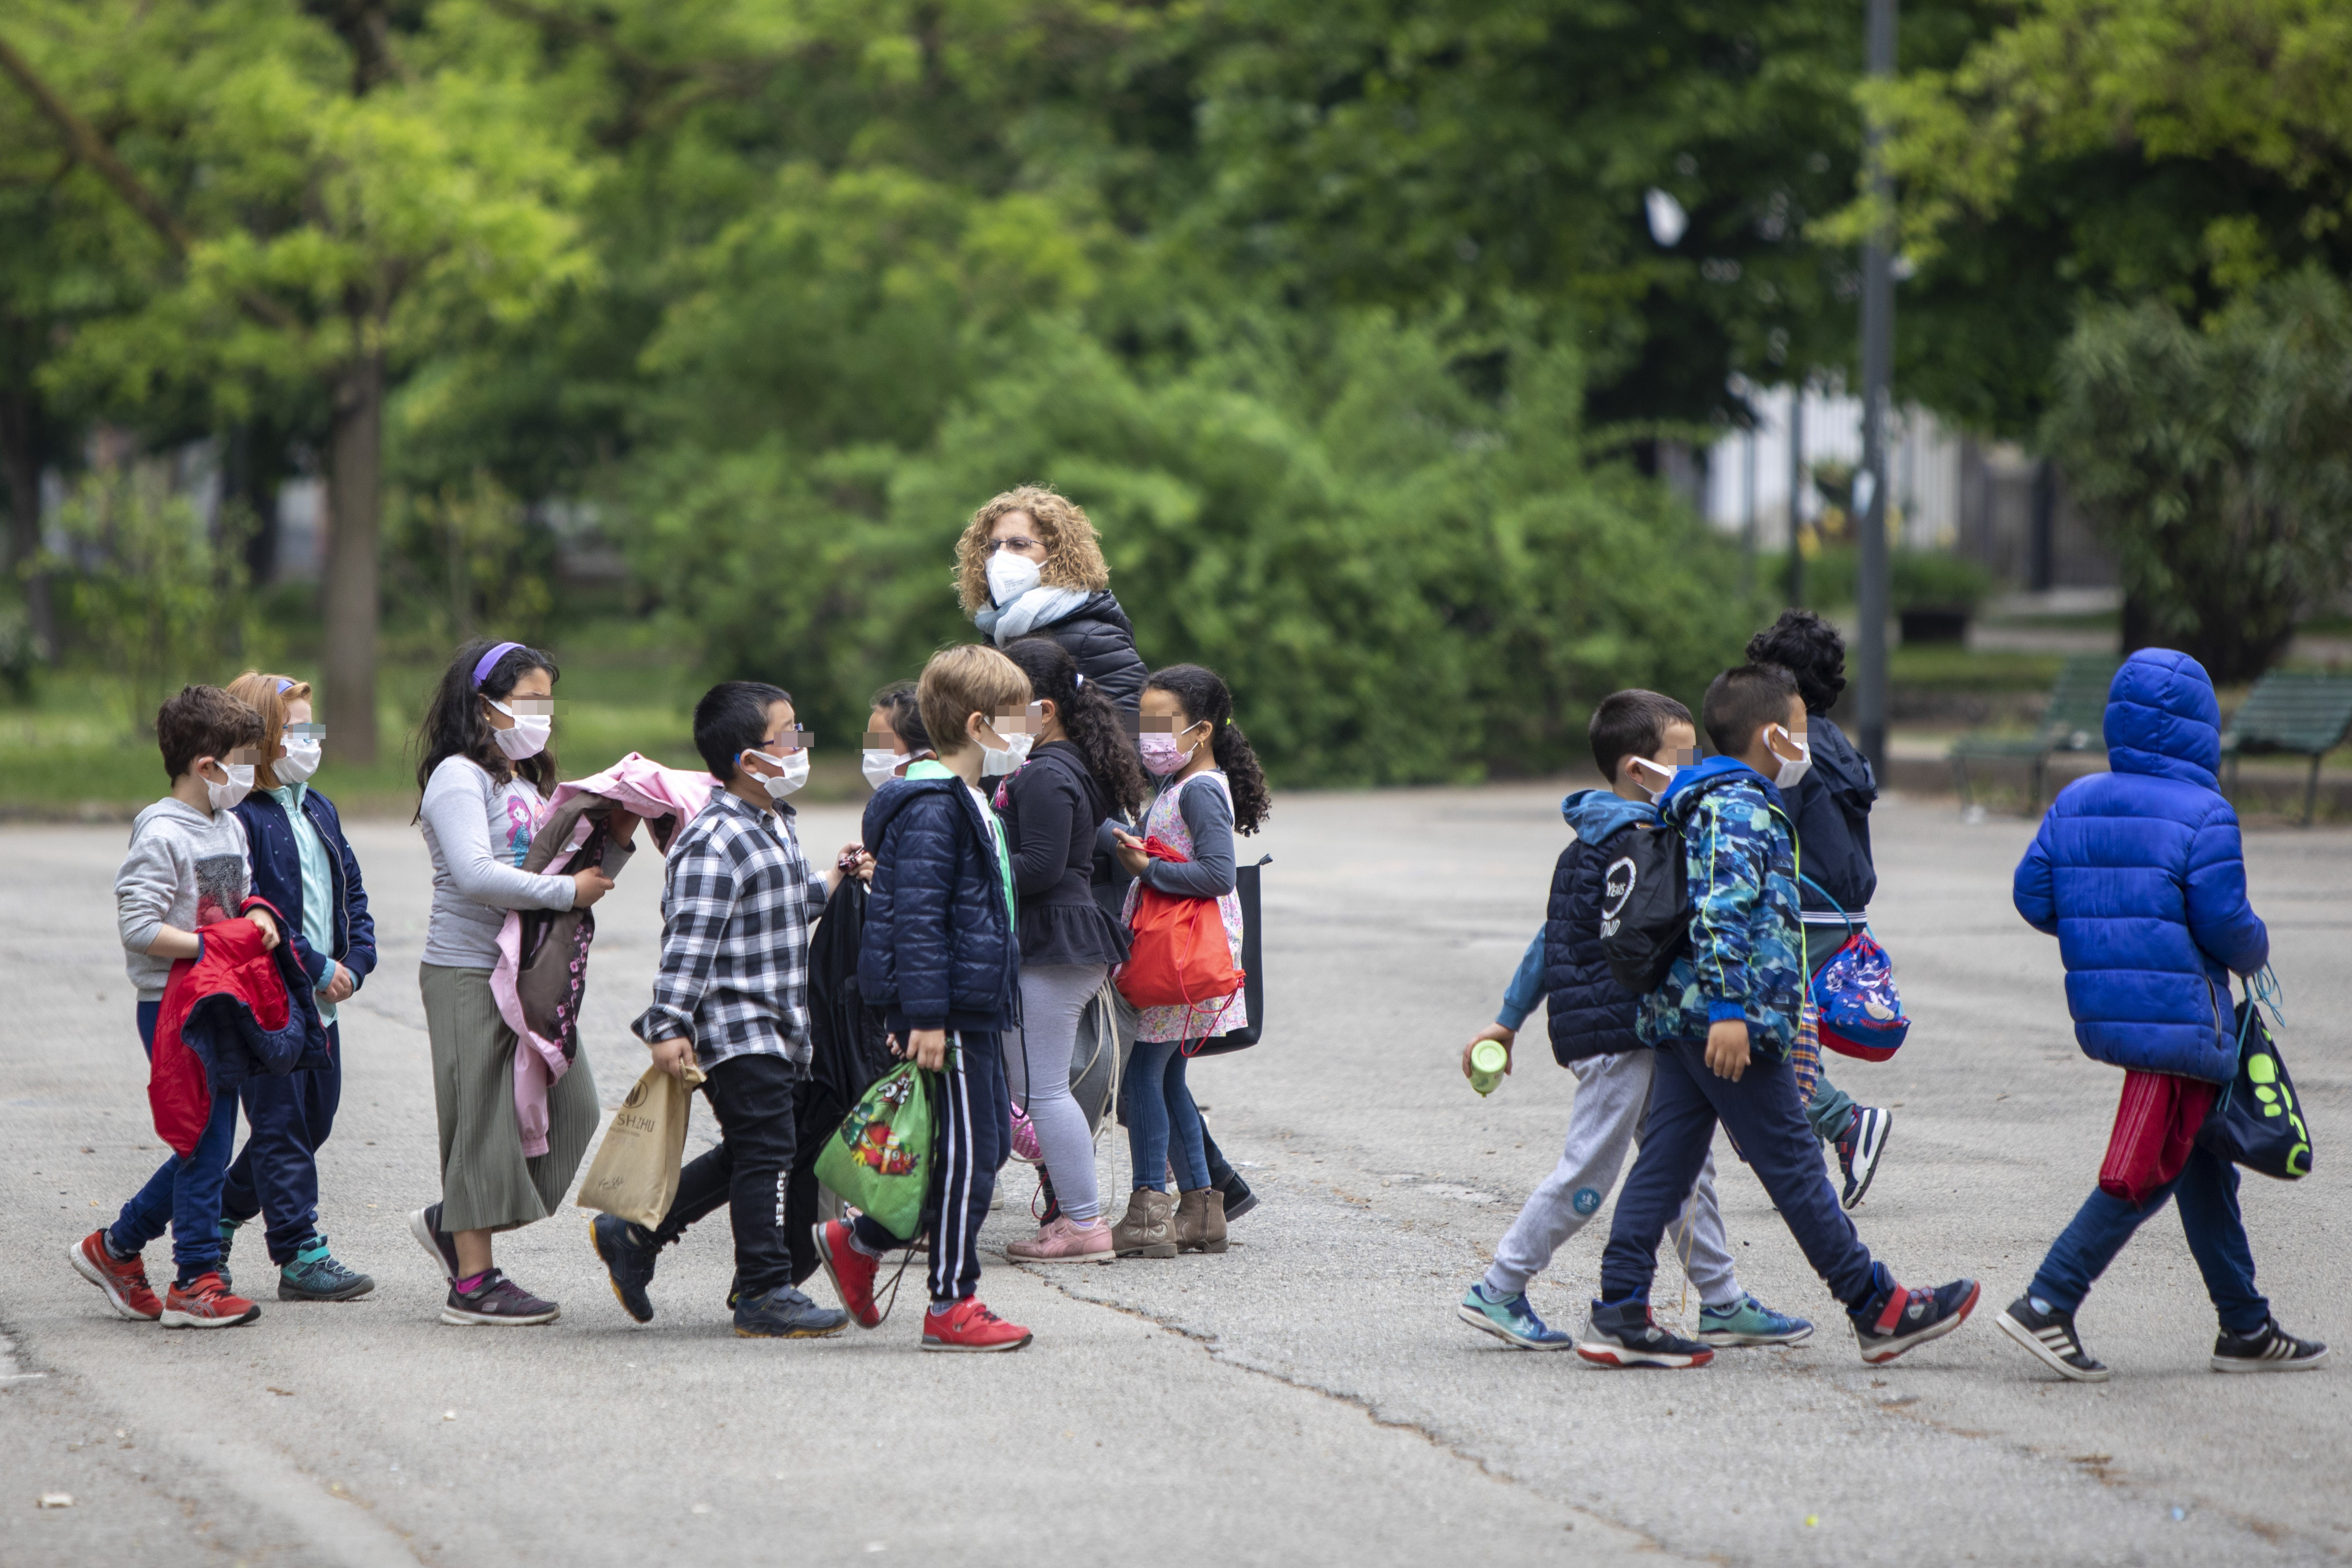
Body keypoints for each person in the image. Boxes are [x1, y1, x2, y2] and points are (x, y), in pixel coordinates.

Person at [1580, 663, 1979, 1369]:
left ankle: (1618, 1309)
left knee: (1665, 1164)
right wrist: (1732, 1010)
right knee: (1794, 1165)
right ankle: (1876, 1306)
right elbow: (1721, 911)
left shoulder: (1709, 797)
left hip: (1684, 1015)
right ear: (1772, 735)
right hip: (1725, 1021)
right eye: (1801, 731)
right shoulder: (1739, 804)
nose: (1809, 743)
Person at [1997, 649, 2328, 1380]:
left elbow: (2033, 897)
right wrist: (2257, 947)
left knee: (2201, 1158)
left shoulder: (2077, 798)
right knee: (2145, 1166)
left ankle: (2243, 1324)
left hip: (2113, 1008)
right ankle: (2048, 1300)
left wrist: (2106, 934)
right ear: (2202, 727)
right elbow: (2227, 926)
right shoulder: (2205, 813)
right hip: (2182, 1018)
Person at [1457, 691, 1810, 1351]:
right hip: (1620, 1033)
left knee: (1683, 1168)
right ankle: (1499, 1286)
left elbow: (1549, 937)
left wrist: (1508, 1021)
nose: (1696, 762)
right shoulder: (1643, 838)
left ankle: (1723, 1300)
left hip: (1620, 1029)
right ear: (1636, 768)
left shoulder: (1595, 837)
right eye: (1683, 753)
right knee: (1590, 1168)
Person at [591, 682, 863, 1339]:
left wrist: (834, 878)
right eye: (789, 735)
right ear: (749, 757)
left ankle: (634, 1231)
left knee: (757, 1147)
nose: (801, 745)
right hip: (738, 1028)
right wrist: (668, 1024)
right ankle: (765, 1289)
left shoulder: (773, 821)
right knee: (768, 1150)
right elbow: (689, 940)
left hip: (778, 1024)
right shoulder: (714, 840)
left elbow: (781, 905)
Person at [812, 644, 1034, 1351]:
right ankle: (951, 1300)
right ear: (978, 724)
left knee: (985, 1143)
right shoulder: (934, 805)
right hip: (951, 1015)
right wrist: (927, 1016)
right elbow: (916, 918)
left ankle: (861, 1239)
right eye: (1016, 718)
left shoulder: (969, 798)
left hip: (974, 1004)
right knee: (967, 1156)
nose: (1027, 729)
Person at [407, 638, 626, 1326]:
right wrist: (565, 892)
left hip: (530, 971)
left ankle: (458, 1219)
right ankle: (473, 1283)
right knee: (480, 1122)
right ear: (485, 704)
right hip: (469, 970)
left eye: (546, 700)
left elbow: (558, 863)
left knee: (576, 1107)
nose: (543, 713)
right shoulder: (457, 777)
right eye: (530, 699)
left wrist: (618, 834)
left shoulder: (525, 780)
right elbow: (475, 875)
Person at [72, 684, 279, 1329]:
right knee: (204, 1140)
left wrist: (260, 916)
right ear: (206, 765)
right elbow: (139, 926)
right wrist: (212, 946)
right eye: (244, 760)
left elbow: (239, 898)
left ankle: (116, 1246)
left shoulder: (229, 824)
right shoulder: (162, 831)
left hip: (221, 997)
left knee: (206, 1140)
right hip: (173, 1006)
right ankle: (195, 1279)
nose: (250, 773)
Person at [215, 672, 375, 1303]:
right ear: (259, 739)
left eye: (314, 726)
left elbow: (352, 892)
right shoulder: (240, 817)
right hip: (269, 1005)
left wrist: (356, 960)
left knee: (314, 1121)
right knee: (280, 1128)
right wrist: (312, 966)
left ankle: (220, 1211)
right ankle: (300, 1252)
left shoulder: (318, 805)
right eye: (295, 729)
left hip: (323, 1007)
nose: (309, 740)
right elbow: (251, 910)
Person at [996, 637, 1149, 1264]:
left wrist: (977, 855)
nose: (994, 721)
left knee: (1044, 1091)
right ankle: (1075, 1216)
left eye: (1006, 707)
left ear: (1047, 709)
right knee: (1032, 1085)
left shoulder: (1049, 773)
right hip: (1059, 938)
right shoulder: (1050, 765)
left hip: (1058, 939)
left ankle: (1082, 1223)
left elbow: (1041, 865)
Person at [1108, 663, 1269, 1259]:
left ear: (1199, 729)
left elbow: (1216, 872)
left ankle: (1148, 1208)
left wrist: (1146, 868)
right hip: (1182, 956)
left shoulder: (1200, 788)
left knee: (1143, 1075)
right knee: (1169, 1073)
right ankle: (1202, 1210)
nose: (1147, 734)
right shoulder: (1184, 786)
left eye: (1160, 723)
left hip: (1178, 958)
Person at [1745, 610, 1893, 1207]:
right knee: (1783, 1037)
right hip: (1842, 914)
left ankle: (1845, 1123)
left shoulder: (1790, 749)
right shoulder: (1837, 743)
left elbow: (1763, 829)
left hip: (1803, 912)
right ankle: (1795, 1146)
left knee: (1762, 1036)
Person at [957, 485, 1146, 708]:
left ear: (1058, 554)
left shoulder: (1095, 639)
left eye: (1019, 545)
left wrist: (1021, 726)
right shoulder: (996, 634)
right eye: (993, 546)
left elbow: (1148, 727)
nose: (1000, 556)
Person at [863, 679, 933, 789]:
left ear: (926, 760)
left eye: (883, 745)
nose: (871, 758)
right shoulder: (885, 802)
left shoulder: (930, 805)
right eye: (870, 743)